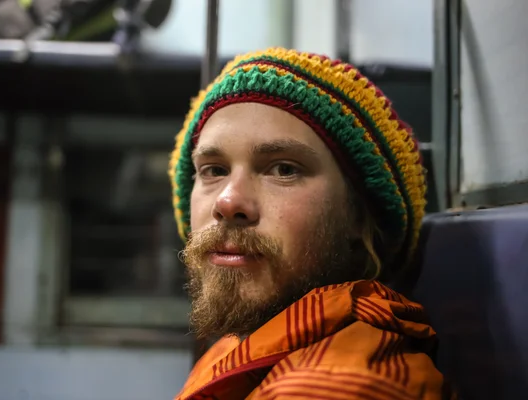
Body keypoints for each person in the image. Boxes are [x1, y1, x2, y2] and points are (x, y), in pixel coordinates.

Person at [168, 48, 454, 400]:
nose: (228, 202)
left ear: (359, 215)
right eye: (214, 170)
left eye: (284, 169)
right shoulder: (245, 346)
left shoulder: (337, 386)